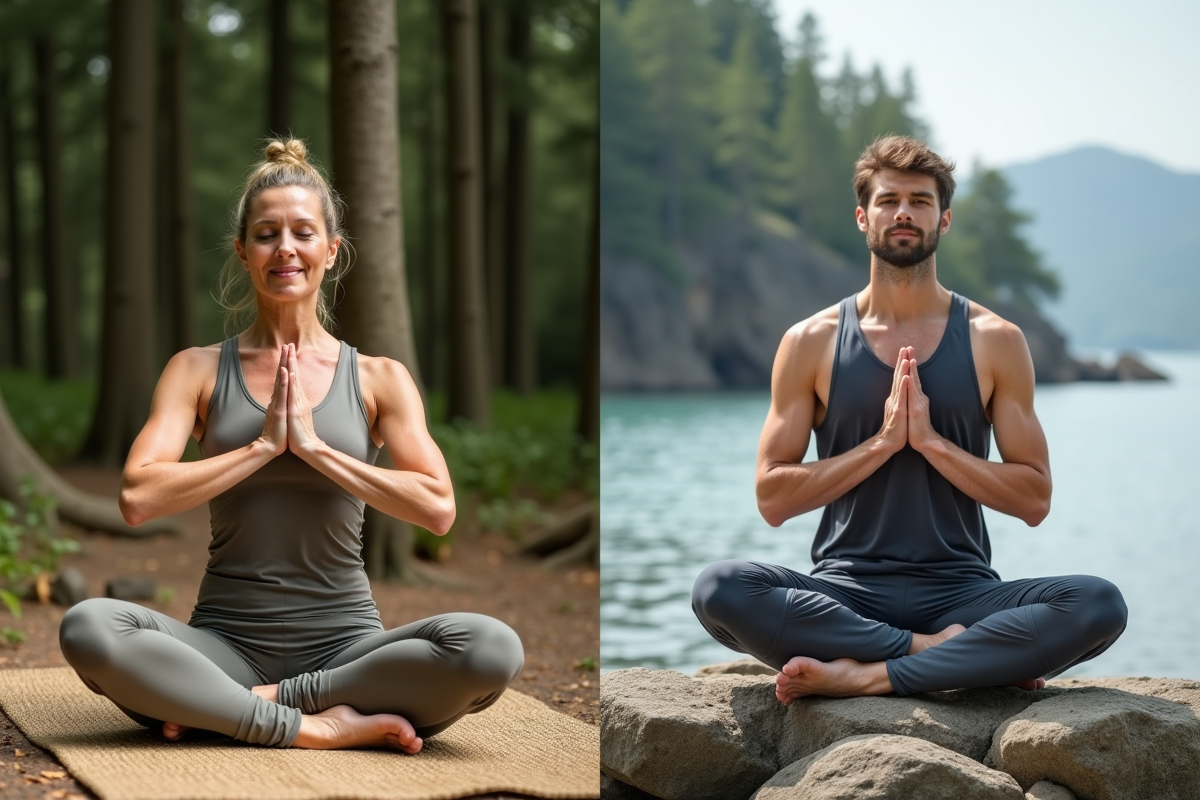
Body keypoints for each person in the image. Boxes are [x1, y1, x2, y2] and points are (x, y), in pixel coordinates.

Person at [59, 139, 524, 752]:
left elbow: (437, 508)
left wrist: (316, 449)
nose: (285, 248)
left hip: (349, 647)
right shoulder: (195, 370)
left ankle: (254, 709)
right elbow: (137, 497)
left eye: (304, 233)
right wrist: (259, 447)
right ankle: (316, 727)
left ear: (332, 251)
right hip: (222, 645)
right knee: (89, 626)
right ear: (243, 252)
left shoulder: (378, 377)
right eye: (266, 233)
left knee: (491, 648)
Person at [691, 135, 1127, 703]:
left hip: (962, 592)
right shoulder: (810, 341)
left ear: (944, 220)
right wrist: (880, 444)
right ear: (862, 216)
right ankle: (941, 656)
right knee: (719, 588)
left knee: (1099, 604)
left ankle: (870, 674)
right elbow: (773, 499)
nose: (903, 212)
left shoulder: (995, 340)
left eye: (920, 201)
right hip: (845, 594)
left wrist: (931, 443)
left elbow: (1034, 498)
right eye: (889, 199)